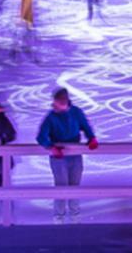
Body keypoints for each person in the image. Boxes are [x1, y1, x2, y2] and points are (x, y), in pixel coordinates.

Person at [36, 87, 99, 220]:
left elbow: (86, 126)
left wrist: (92, 138)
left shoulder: (76, 112)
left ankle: (75, 215)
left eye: (63, 100)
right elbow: (41, 137)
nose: (61, 103)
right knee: (61, 185)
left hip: (75, 154)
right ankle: (59, 216)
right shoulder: (51, 117)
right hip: (59, 157)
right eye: (59, 101)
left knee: (75, 185)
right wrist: (51, 147)